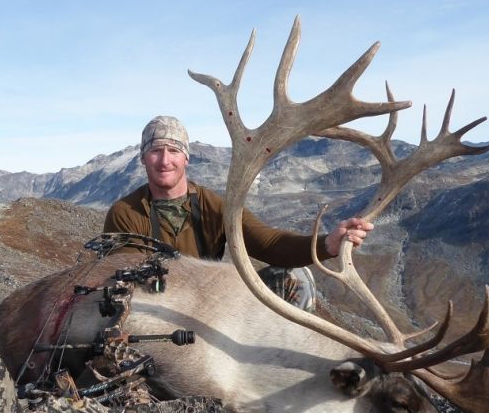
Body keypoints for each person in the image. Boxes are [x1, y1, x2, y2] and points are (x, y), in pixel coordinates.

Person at [103, 116, 374, 309]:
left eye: (173, 150)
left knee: (295, 279)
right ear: (142, 158)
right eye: (155, 151)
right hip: (158, 310)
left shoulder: (215, 206)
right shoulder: (125, 213)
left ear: (186, 157)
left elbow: (269, 243)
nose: (165, 160)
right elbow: (132, 282)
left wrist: (328, 243)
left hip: (211, 305)